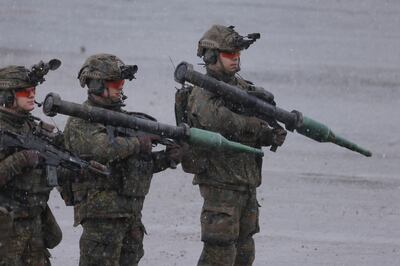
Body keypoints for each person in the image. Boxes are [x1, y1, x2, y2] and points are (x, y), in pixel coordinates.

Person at [181, 25, 287, 266]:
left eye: (238, 53)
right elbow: (217, 121)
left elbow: (247, 126)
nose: (236, 58)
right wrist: (255, 126)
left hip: (245, 183)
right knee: (219, 255)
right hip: (220, 184)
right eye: (229, 54)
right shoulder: (203, 91)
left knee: (244, 252)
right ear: (211, 57)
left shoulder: (240, 87)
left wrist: (269, 135)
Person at [62, 53, 182, 266]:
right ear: (97, 85)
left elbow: (133, 166)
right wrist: (139, 143)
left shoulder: (124, 120)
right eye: (115, 82)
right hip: (102, 217)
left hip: (130, 215)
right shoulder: (82, 120)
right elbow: (103, 150)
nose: (120, 87)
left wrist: (166, 158)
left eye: (122, 82)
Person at [0, 62, 63, 265]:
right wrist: (21, 160)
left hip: (34, 226)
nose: (31, 95)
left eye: (34, 90)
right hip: (6, 232)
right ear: (7, 95)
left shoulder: (31, 127)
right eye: (25, 91)